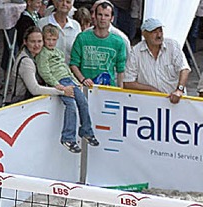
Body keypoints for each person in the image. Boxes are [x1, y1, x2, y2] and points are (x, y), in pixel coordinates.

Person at [36, 24, 99, 153]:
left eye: (54, 39)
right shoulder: (43, 54)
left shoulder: (58, 52)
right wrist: (56, 85)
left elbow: (66, 68)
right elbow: (45, 71)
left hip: (69, 80)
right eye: (48, 39)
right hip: (60, 81)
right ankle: (68, 137)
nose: (51, 42)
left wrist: (76, 82)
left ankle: (86, 131)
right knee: (71, 106)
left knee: (83, 102)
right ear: (43, 39)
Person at [123, 18, 190, 105]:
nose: (159, 35)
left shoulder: (173, 46)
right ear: (144, 34)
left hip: (176, 102)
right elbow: (128, 83)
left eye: (160, 31)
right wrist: (150, 89)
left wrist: (179, 90)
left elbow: (184, 69)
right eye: (154, 32)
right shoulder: (136, 52)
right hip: (150, 104)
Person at [70, 1, 127, 87]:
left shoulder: (119, 42)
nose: (103, 18)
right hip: (85, 87)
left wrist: (120, 92)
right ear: (95, 16)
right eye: (100, 14)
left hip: (108, 89)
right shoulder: (82, 38)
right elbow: (74, 64)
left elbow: (121, 70)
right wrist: (83, 79)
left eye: (106, 15)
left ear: (112, 18)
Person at [7, 27, 67, 104]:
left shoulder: (39, 56)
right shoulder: (26, 62)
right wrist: (62, 91)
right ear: (25, 42)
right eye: (33, 41)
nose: (37, 45)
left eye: (39, 41)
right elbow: (35, 89)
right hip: (23, 104)